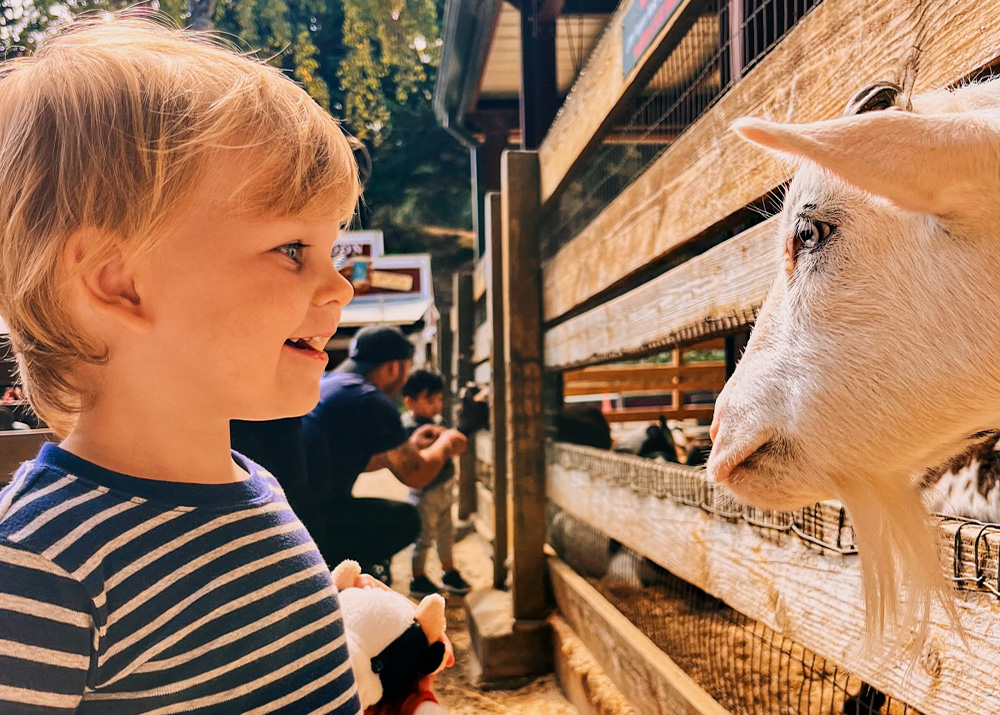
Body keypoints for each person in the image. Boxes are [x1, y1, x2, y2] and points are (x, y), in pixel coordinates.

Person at [0, 15, 367, 712]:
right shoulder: (38, 567)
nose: (340, 287)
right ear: (118, 282)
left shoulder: (253, 487)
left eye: (332, 250)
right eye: (292, 248)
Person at [301, 325, 468, 581]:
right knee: (405, 519)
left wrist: (409, 444)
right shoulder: (371, 399)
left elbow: (351, 457)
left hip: (293, 511)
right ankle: (351, 573)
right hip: (315, 522)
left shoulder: (329, 382)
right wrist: (445, 442)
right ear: (394, 367)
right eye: (407, 367)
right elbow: (416, 475)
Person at [401, 369, 473, 598]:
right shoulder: (410, 429)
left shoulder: (438, 423)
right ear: (410, 402)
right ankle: (418, 578)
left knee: (445, 534)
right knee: (423, 537)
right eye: (430, 400)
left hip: (444, 489)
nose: (437, 405)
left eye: (440, 399)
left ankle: (449, 572)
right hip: (425, 493)